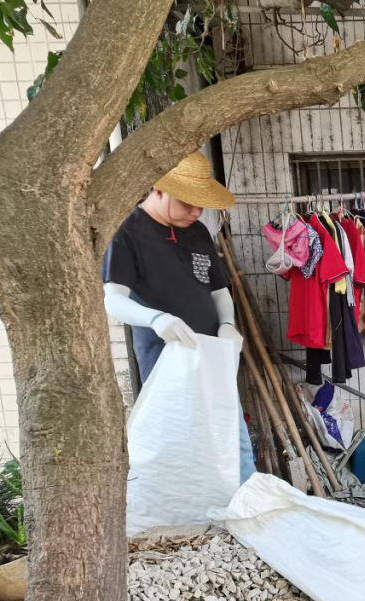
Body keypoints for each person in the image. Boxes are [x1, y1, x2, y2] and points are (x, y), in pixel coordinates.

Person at [101, 151, 255, 483]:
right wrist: (157, 319)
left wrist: (228, 324)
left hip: (213, 354)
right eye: (188, 202)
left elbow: (219, 291)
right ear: (159, 189)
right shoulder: (126, 232)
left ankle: (245, 499)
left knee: (232, 437)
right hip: (167, 360)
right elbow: (113, 300)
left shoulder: (197, 232)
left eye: (201, 204)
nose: (196, 211)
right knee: (182, 445)